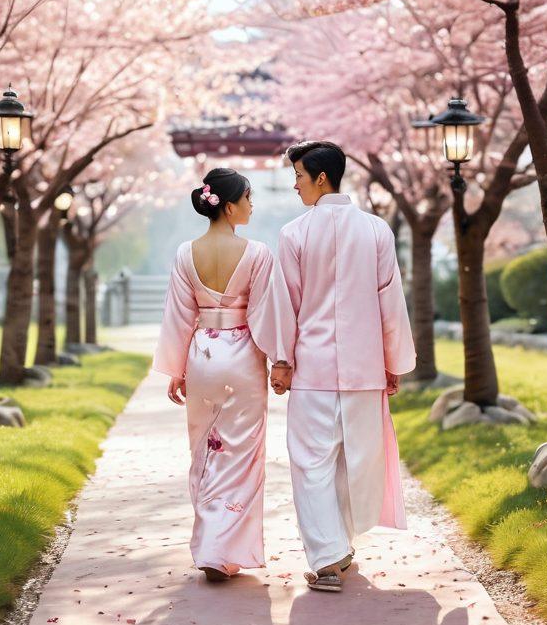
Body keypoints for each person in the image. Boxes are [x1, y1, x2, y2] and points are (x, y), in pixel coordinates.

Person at [250, 141, 416, 593]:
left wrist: (282, 360)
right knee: (354, 461)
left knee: (311, 463)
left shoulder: (295, 234)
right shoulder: (378, 231)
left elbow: (287, 305)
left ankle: (327, 557)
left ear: (321, 178)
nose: (295, 185)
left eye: (299, 176)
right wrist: (392, 361)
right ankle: (340, 548)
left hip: (314, 371)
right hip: (364, 370)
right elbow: (390, 302)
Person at [153, 167, 274, 583]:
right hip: (243, 357)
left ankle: (209, 546)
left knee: (206, 450)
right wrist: (278, 360)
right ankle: (226, 550)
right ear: (229, 205)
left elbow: (178, 316)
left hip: (202, 354)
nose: (252, 205)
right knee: (242, 452)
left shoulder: (186, 252)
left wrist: (176, 368)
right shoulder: (258, 253)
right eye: (248, 198)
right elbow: (264, 314)